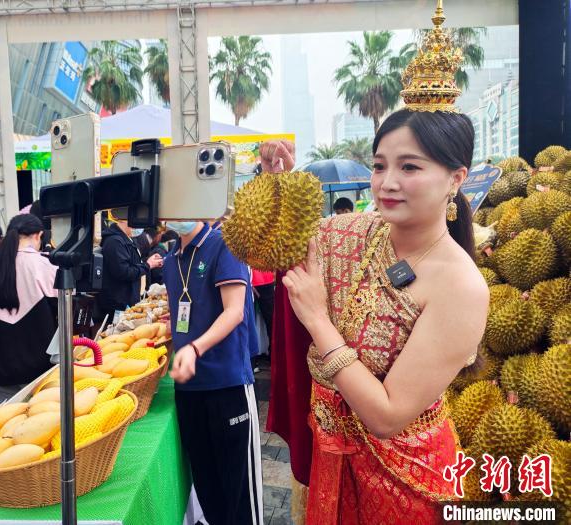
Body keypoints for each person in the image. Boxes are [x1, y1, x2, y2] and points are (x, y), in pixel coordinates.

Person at [281, 107, 489, 521]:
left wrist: (318, 321)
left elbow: (387, 415)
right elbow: (277, 240)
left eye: (409, 166)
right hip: (332, 454)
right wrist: (277, 183)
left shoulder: (461, 287)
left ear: (456, 178)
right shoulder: (350, 232)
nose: (387, 182)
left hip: (404, 479)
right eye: (379, 166)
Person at [163, 220, 262, 525]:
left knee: (239, 495)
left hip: (227, 384)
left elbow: (234, 311)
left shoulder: (224, 244)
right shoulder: (170, 260)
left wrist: (195, 348)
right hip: (189, 390)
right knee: (207, 487)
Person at [0, 214, 57, 404]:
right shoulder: (44, 264)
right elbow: (66, 313)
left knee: (5, 420)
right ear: (38, 235)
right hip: (42, 372)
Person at [93, 219, 163, 325]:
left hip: (127, 302)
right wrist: (148, 265)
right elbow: (124, 272)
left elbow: (133, 264)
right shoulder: (114, 242)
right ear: (123, 220)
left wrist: (148, 262)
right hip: (117, 304)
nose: (138, 227)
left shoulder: (127, 239)